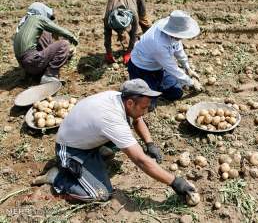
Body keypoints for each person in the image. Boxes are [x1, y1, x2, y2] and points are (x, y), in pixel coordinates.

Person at [32, 79, 195, 202]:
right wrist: (175, 182)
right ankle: (57, 177)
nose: (146, 111)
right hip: (69, 149)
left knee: (125, 134)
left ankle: (95, 156)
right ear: (130, 102)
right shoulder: (112, 118)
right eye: (144, 107)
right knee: (101, 194)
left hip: (84, 139)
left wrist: (149, 143)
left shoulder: (119, 98)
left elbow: (137, 119)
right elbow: (140, 160)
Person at [128, 10, 202, 105]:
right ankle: (140, 87)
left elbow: (178, 47)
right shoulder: (157, 43)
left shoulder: (173, 31)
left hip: (158, 67)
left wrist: (188, 68)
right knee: (148, 104)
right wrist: (191, 82)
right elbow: (172, 68)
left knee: (176, 93)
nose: (181, 37)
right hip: (141, 69)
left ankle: (154, 87)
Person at [13, 2, 79, 84]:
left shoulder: (23, 25)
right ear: (41, 12)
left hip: (26, 67)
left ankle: (35, 76)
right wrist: (72, 38)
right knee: (64, 44)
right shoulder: (37, 18)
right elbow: (59, 30)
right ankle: (49, 75)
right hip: (33, 61)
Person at [104, 0, 152, 64]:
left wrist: (129, 52)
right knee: (122, 33)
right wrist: (108, 52)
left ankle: (151, 42)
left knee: (144, 20)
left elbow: (134, 33)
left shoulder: (133, 14)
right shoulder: (108, 17)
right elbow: (107, 35)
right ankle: (127, 44)